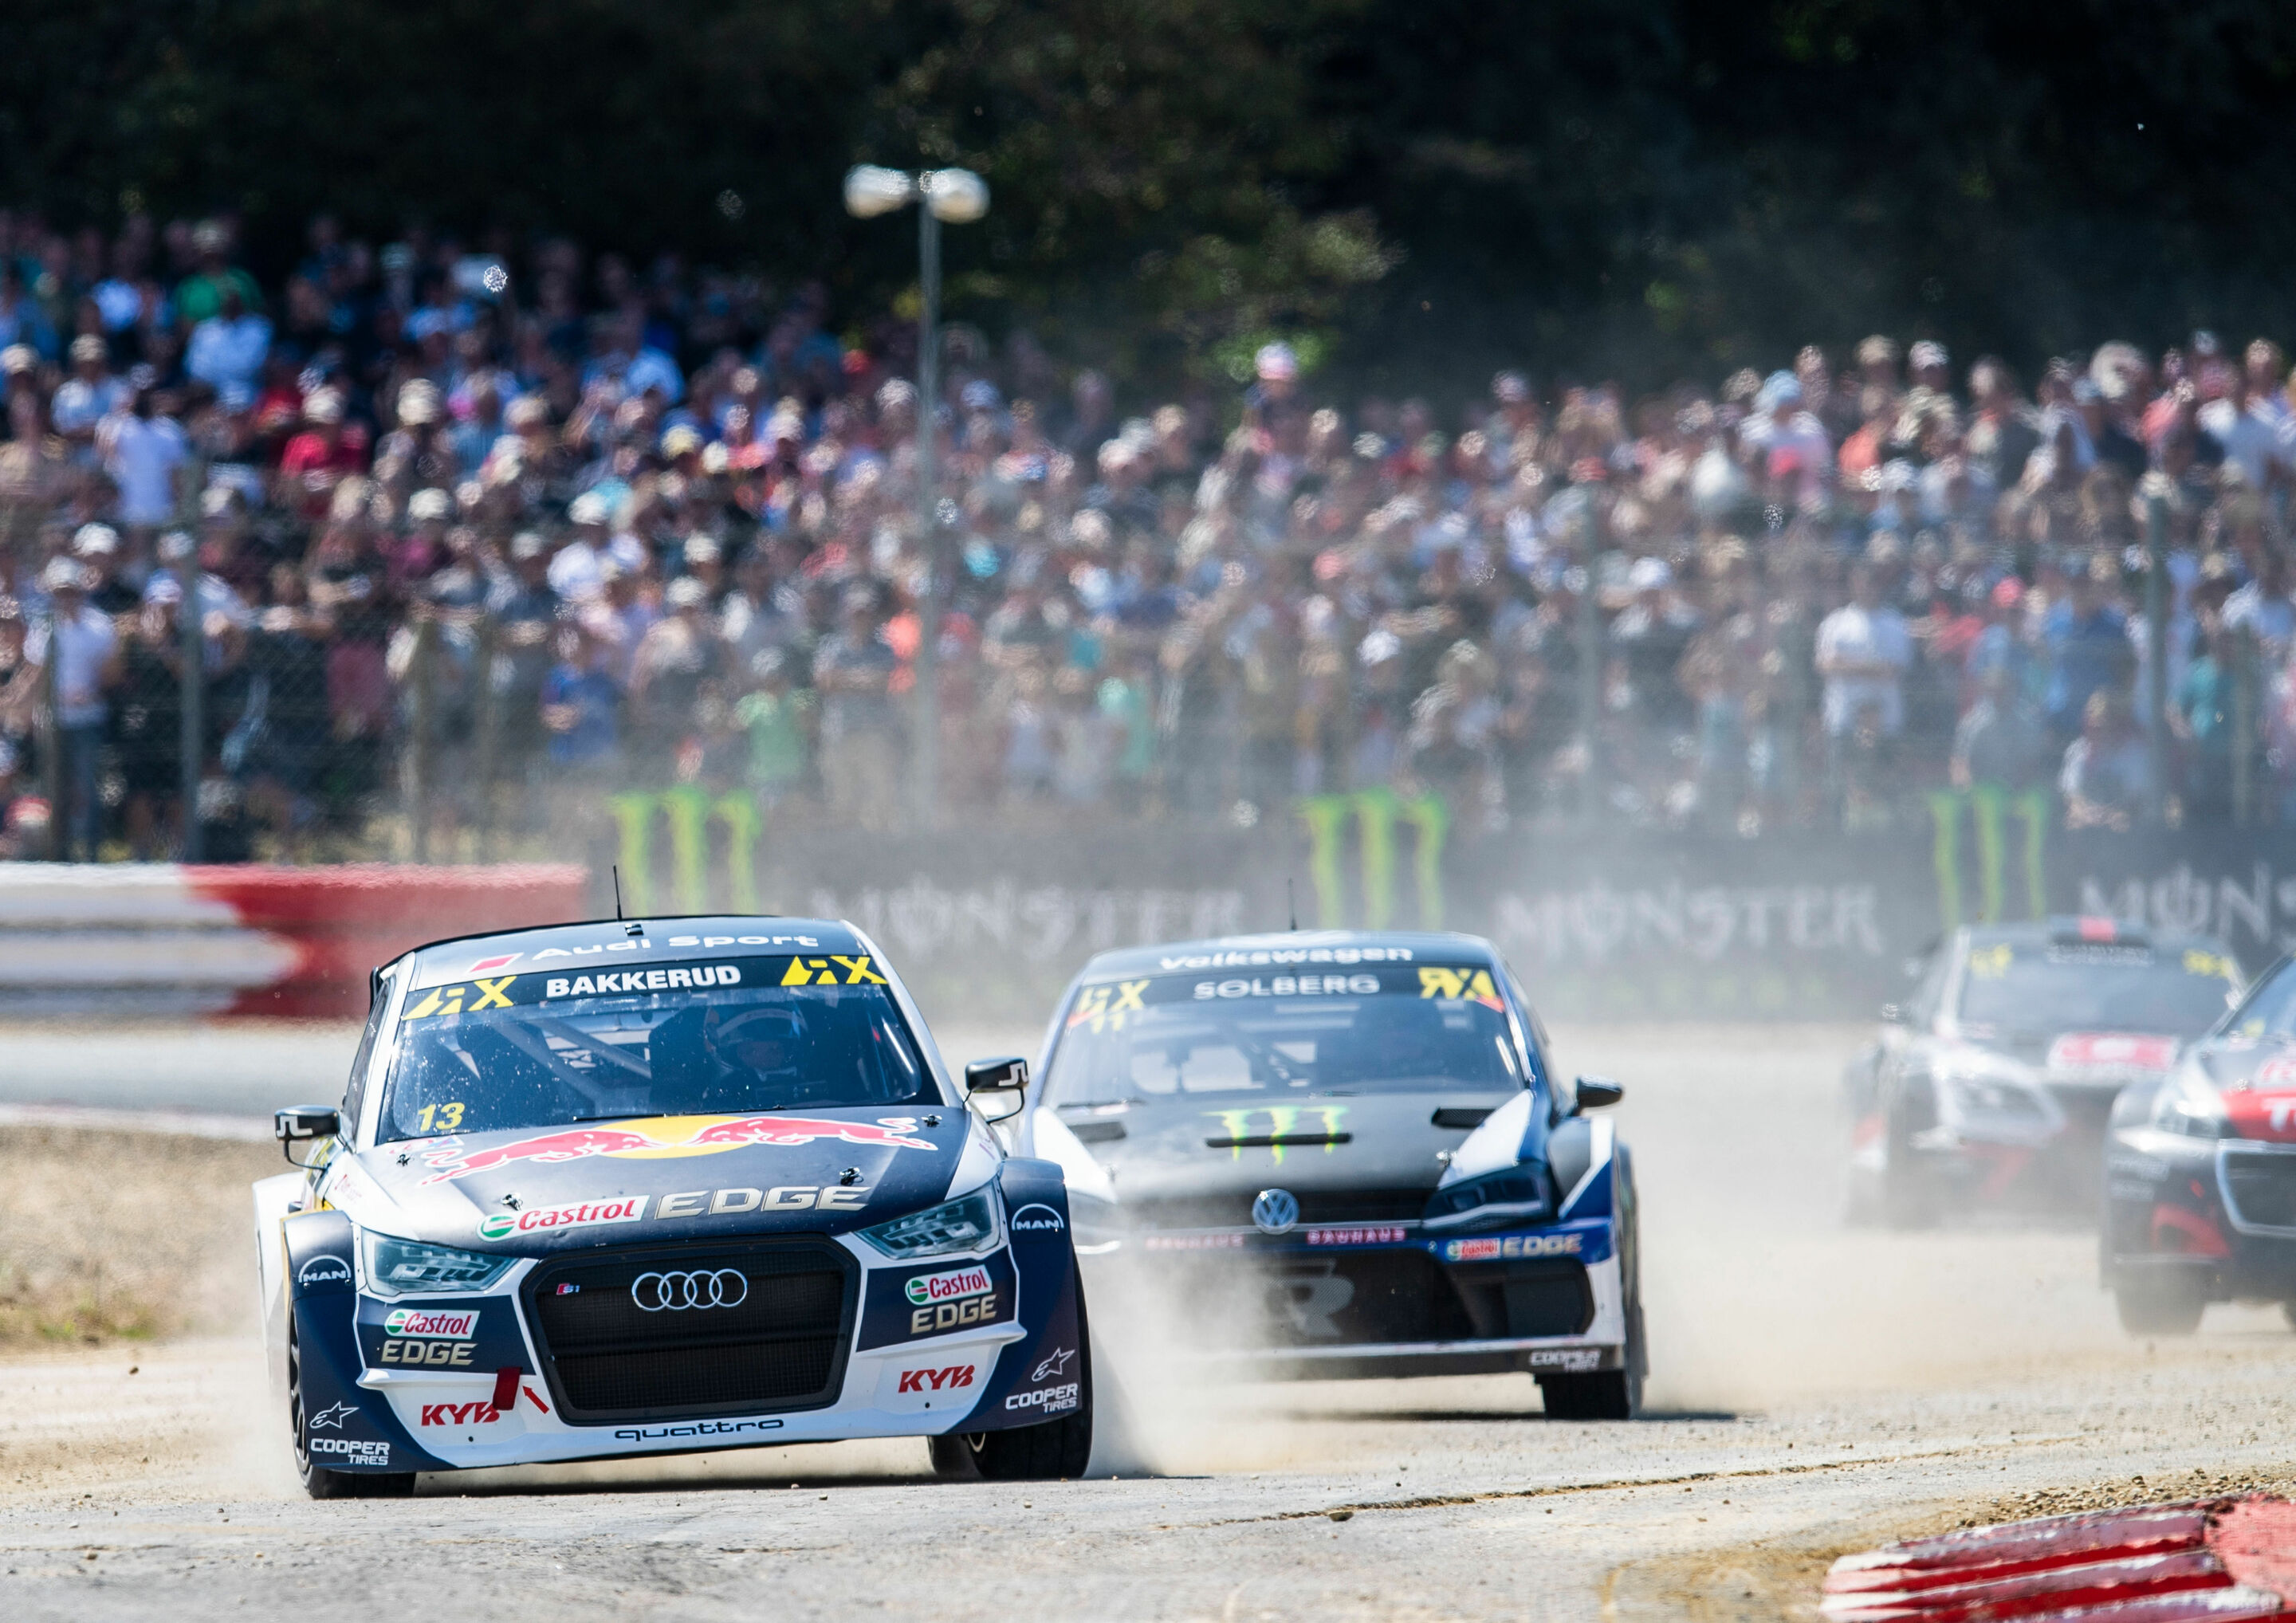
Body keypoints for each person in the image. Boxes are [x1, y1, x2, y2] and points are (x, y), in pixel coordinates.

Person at [24, 558, 120, 859]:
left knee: (87, 787)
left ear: (80, 591)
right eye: (59, 592)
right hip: (52, 721)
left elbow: (113, 674)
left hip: (87, 720)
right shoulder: (43, 627)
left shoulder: (100, 626)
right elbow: (36, 673)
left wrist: (92, 692)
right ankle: (59, 853)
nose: (65, 598)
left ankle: (90, 853)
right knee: (55, 788)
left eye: (70, 591)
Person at [1814, 564, 1912, 813]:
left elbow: (1895, 668)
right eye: (1861, 582)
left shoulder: (1894, 622)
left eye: (1872, 582)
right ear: (1853, 585)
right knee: (1839, 788)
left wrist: (1846, 665)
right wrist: (1871, 667)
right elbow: (1825, 664)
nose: (1867, 588)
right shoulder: (1836, 623)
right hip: (1843, 722)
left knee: (1887, 788)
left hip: (1886, 724)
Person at [812, 588, 902, 831]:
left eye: (865, 613)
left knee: (879, 796)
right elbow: (824, 681)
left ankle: (878, 844)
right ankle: (846, 844)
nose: (860, 619)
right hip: (840, 732)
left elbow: (880, 681)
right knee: (842, 794)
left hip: (875, 733)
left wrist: (843, 678)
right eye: (855, 613)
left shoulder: (884, 648)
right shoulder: (831, 646)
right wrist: (862, 679)